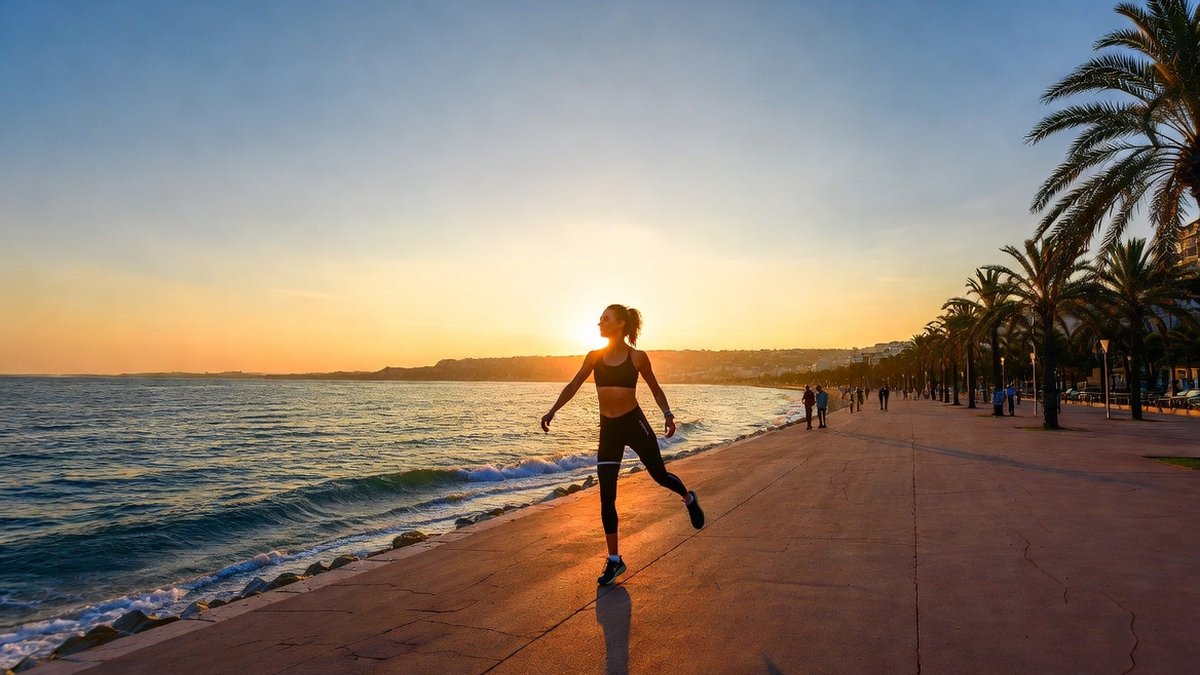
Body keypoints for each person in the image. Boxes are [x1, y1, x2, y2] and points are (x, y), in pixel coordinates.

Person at [541, 304, 704, 587]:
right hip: (609, 430)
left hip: (635, 424)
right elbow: (573, 385)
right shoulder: (594, 357)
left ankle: (688, 498)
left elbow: (655, 388)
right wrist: (552, 410)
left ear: (620, 325)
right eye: (600, 319)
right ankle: (615, 560)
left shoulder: (637, 357)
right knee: (607, 496)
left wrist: (667, 415)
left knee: (660, 476)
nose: (599, 323)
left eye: (605, 319)